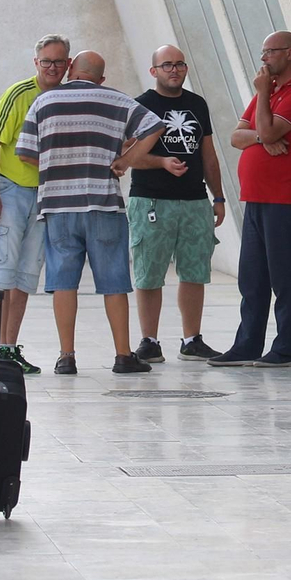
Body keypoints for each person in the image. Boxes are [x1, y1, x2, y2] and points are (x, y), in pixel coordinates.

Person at [16, 50, 165, 375]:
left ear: (71, 69)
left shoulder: (44, 101)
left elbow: (25, 152)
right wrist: (125, 160)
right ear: (102, 78)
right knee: (114, 282)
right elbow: (155, 126)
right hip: (103, 203)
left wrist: (56, 164)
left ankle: (66, 357)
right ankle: (123, 355)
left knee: (63, 282)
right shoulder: (116, 100)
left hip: (58, 206)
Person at [208, 31, 291, 368]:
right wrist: (261, 136)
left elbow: (270, 131)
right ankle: (247, 345)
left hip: (285, 197)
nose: (263, 59)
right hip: (256, 197)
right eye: (263, 52)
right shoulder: (268, 92)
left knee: (284, 277)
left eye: (269, 52)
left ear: (289, 53)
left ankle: (284, 349)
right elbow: (236, 136)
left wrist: (263, 118)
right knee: (252, 277)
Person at [128, 44, 227, 364]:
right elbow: (127, 156)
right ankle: (149, 341)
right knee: (149, 273)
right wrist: (161, 162)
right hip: (151, 201)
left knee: (195, 272)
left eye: (180, 64)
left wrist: (218, 197)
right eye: (167, 65)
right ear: (154, 71)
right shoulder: (141, 105)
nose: (174, 70)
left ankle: (191, 340)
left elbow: (208, 154)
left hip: (195, 200)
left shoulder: (197, 104)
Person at [0, 33, 72, 375]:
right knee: (1, 272)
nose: (52, 67)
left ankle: (9, 347)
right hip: (11, 191)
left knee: (24, 276)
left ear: (68, 64)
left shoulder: (67, 97)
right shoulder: (18, 94)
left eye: (59, 62)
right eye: (46, 61)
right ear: (36, 62)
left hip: (45, 196)